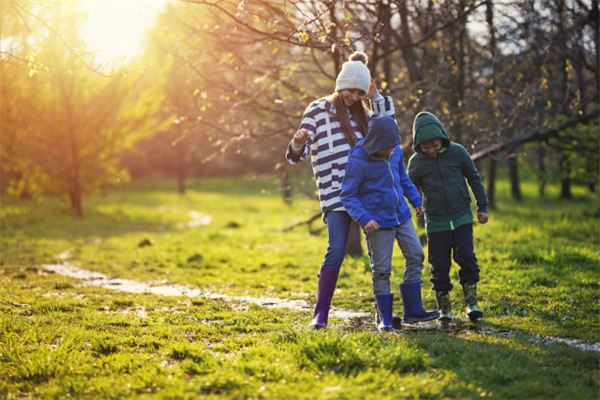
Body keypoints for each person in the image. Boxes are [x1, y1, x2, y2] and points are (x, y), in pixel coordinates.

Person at [286, 51, 395, 329]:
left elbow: (387, 129)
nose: (354, 96)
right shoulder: (318, 109)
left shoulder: (364, 113)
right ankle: (320, 314)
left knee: (378, 254)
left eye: (360, 92)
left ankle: (382, 314)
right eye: (351, 90)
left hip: (367, 192)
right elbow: (297, 155)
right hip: (335, 193)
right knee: (336, 249)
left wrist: (374, 96)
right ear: (339, 84)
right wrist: (299, 142)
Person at [340, 115, 439, 331]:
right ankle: (384, 318)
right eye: (388, 147)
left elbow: (403, 180)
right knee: (382, 270)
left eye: (394, 145)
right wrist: (364, 219)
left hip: (401, 215)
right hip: (378, 223)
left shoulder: (394, 154)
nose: (392, 151)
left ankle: (413, 311)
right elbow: (348, 195)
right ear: (376, 144)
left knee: (416, 255)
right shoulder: (358, 161)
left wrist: (416, 201)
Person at [407, 111, 489, 322]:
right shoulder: (416, 162)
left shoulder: (458, 152)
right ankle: (444, 306)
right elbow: (410, 186)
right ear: (418, 145)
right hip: (436, 221)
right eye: (425, 147)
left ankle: (471, 303)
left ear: (442, 138)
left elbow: (473, 177)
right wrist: (416, 203)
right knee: (439, 264)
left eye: (435, 145)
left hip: (461, 216)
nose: (431, 150)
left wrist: (482, 206)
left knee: (467, 258)